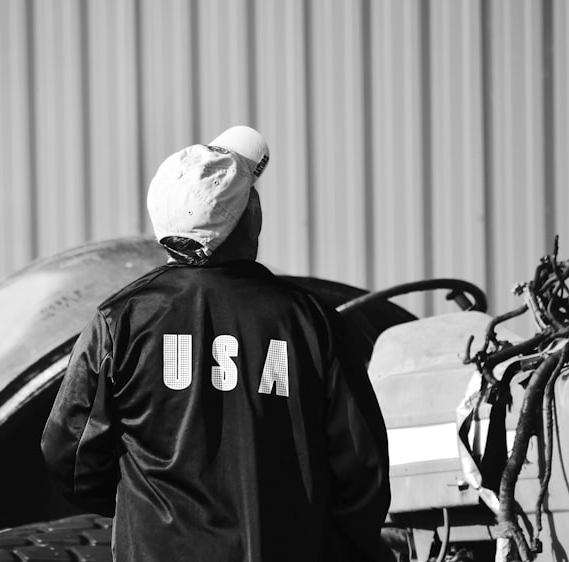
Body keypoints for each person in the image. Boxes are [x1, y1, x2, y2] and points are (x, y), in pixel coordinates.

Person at [41, 126, 390, 561]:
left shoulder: (121, 320)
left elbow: (70, 453)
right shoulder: (310, 320)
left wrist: (143, 507)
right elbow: (361, 463)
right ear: (251, 218)